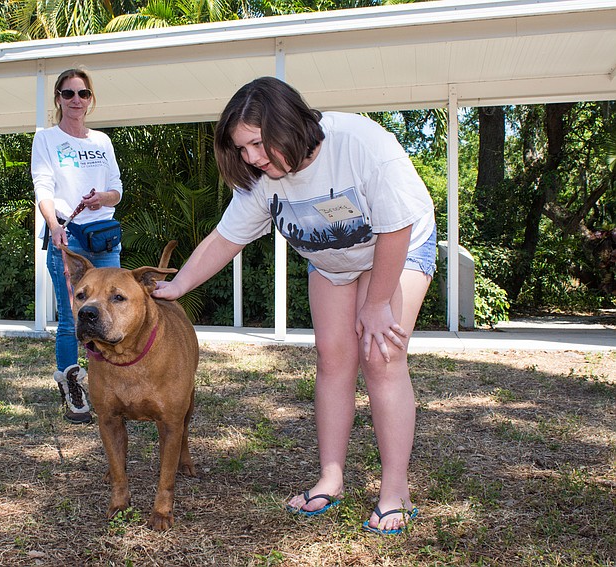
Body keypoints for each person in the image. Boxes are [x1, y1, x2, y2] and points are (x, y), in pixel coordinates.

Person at [152, 77, 436, 535]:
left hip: (397, 244)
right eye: (241, 149)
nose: (250, 158)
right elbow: (225, 238)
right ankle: (330, 478)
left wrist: (378, 303)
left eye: (256, 143)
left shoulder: (362, 144)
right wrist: (178, 285)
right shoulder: (262, 179)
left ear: (286, 123)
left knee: (380, 357)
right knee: (332, 358)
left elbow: (397, 227)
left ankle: (395, 492)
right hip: (331, 260)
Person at [31, 68, 122, 425]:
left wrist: (103, 198)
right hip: (68, 237)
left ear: (90, 99)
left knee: (113, 311)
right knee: (72, 319)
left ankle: (111, 385)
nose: (76, 100)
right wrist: (53, 226)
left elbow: (117, 189)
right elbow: (43, 187)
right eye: (68, 93)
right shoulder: (47, 139)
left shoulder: (102, 141)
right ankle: (72, 386)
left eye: (83, 93)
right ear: (58, 98)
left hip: (104, 237)